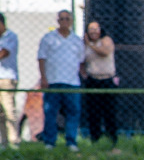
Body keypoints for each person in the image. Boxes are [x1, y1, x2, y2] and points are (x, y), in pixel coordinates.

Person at [36, 9, 85, 151]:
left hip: (72, 82)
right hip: (53, 80)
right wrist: (43, 78)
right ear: (58, 21)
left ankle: (71, 141)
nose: (64, 21)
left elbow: (81, 60)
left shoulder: (77, 40)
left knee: (73, 112)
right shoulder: (48, 38)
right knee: (50, 112)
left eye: (67, 19)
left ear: (71, 21)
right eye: (61, 19)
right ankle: (50, 141)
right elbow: (41, 58)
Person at [81, 21, 118, 150]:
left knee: (109, 112)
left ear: (100, 30)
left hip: (107, 80)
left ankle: (112, 139)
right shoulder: (85, 45)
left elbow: (105, 52)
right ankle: (95, 139)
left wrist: (90, 45)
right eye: (90, 29)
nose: (93, 31)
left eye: (96, 29)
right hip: (93, 80)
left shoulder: (106, 40)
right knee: (93, 112)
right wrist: (84, 74)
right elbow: (81, 61)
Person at [0, 12, 18, 148]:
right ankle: (3, 142)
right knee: (0, 114)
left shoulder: (10, 36)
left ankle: (14, 141)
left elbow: (4, 53)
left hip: (6, 78)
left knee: (9, 111)